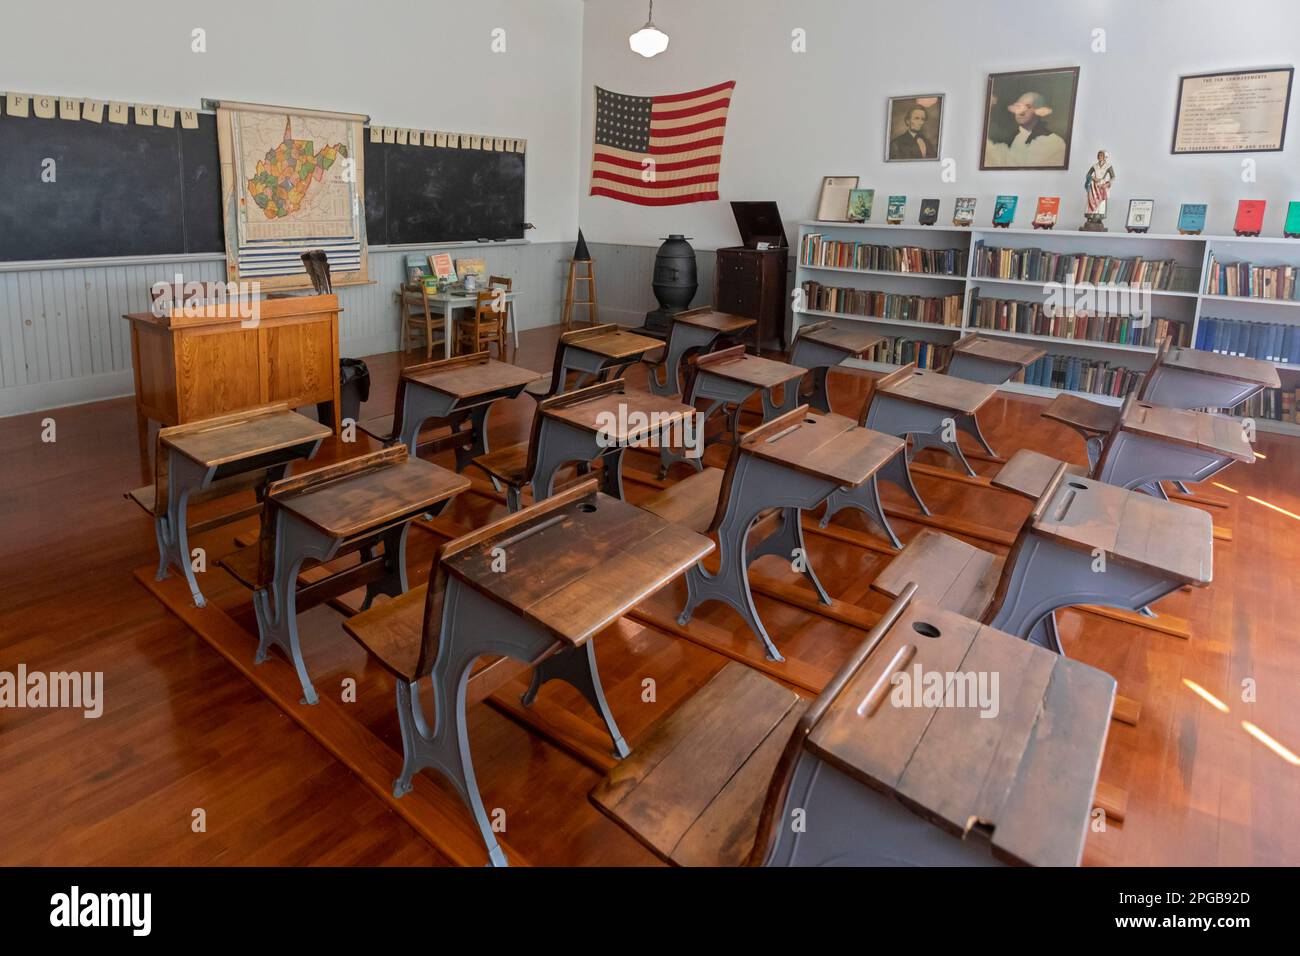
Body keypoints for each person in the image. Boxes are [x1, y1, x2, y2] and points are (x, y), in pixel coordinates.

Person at [984, 91, 1067, 167]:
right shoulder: (1004, 141)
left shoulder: (1054, 143)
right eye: (1018, 106)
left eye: (1028, 106)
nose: (1021, 111)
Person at [1085, 150, 1116, 220]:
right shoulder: (1094, 166)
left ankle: (1099, 218)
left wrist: (1107, 184)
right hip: (1094, 186)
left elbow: (1113, 177)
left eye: (1101, 155)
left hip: (1102, 185)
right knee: (1091, 200)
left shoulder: (1108, 166)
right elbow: (1088, 174)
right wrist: (1093, 178)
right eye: (1099, 155)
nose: (1100, 157)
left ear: (1105, 157)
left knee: (1101, 202)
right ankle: (1091, 216)